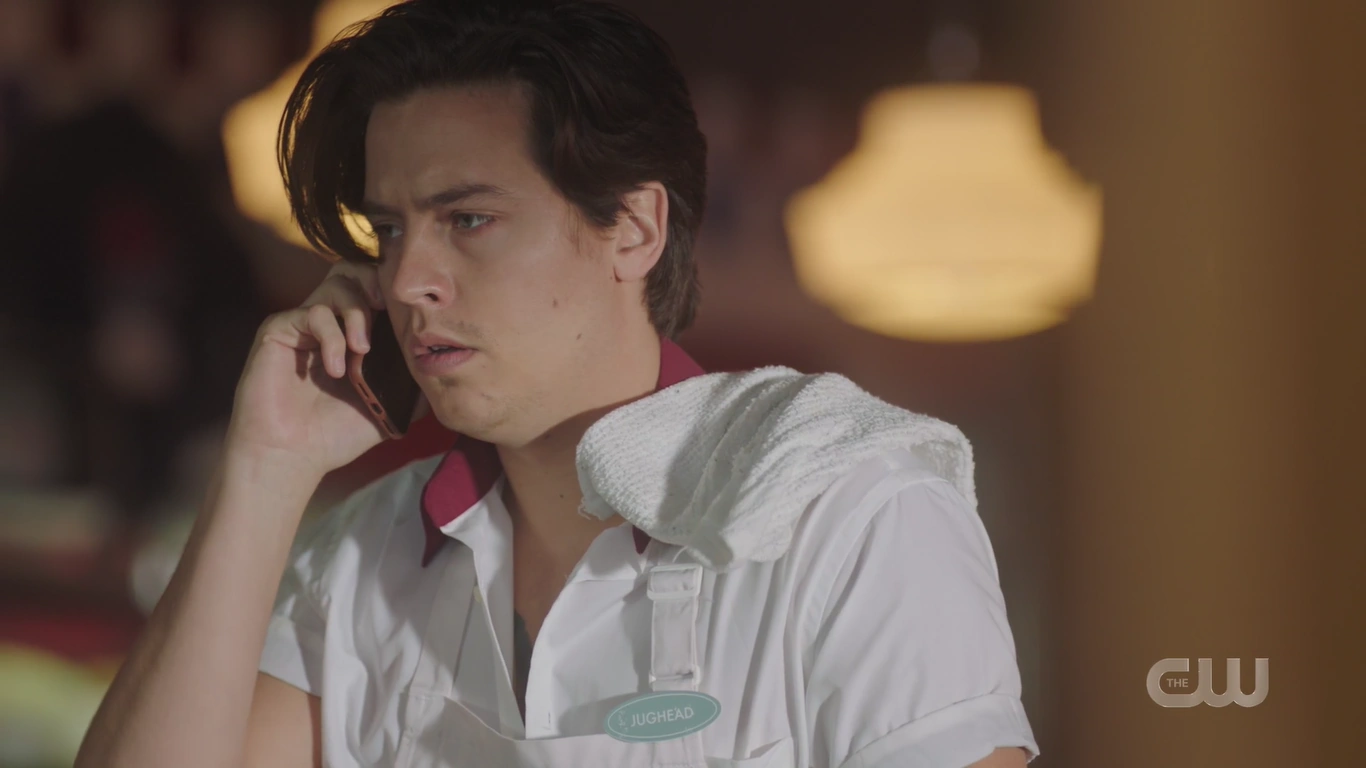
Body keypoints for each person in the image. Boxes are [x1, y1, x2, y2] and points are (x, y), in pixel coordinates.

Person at [75, 1, 1038, 766]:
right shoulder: (360, 563)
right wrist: (264, 467)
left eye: (469, 220)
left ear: (634, 229)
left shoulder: (848, 514)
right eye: (391, 230)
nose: (407, 281)